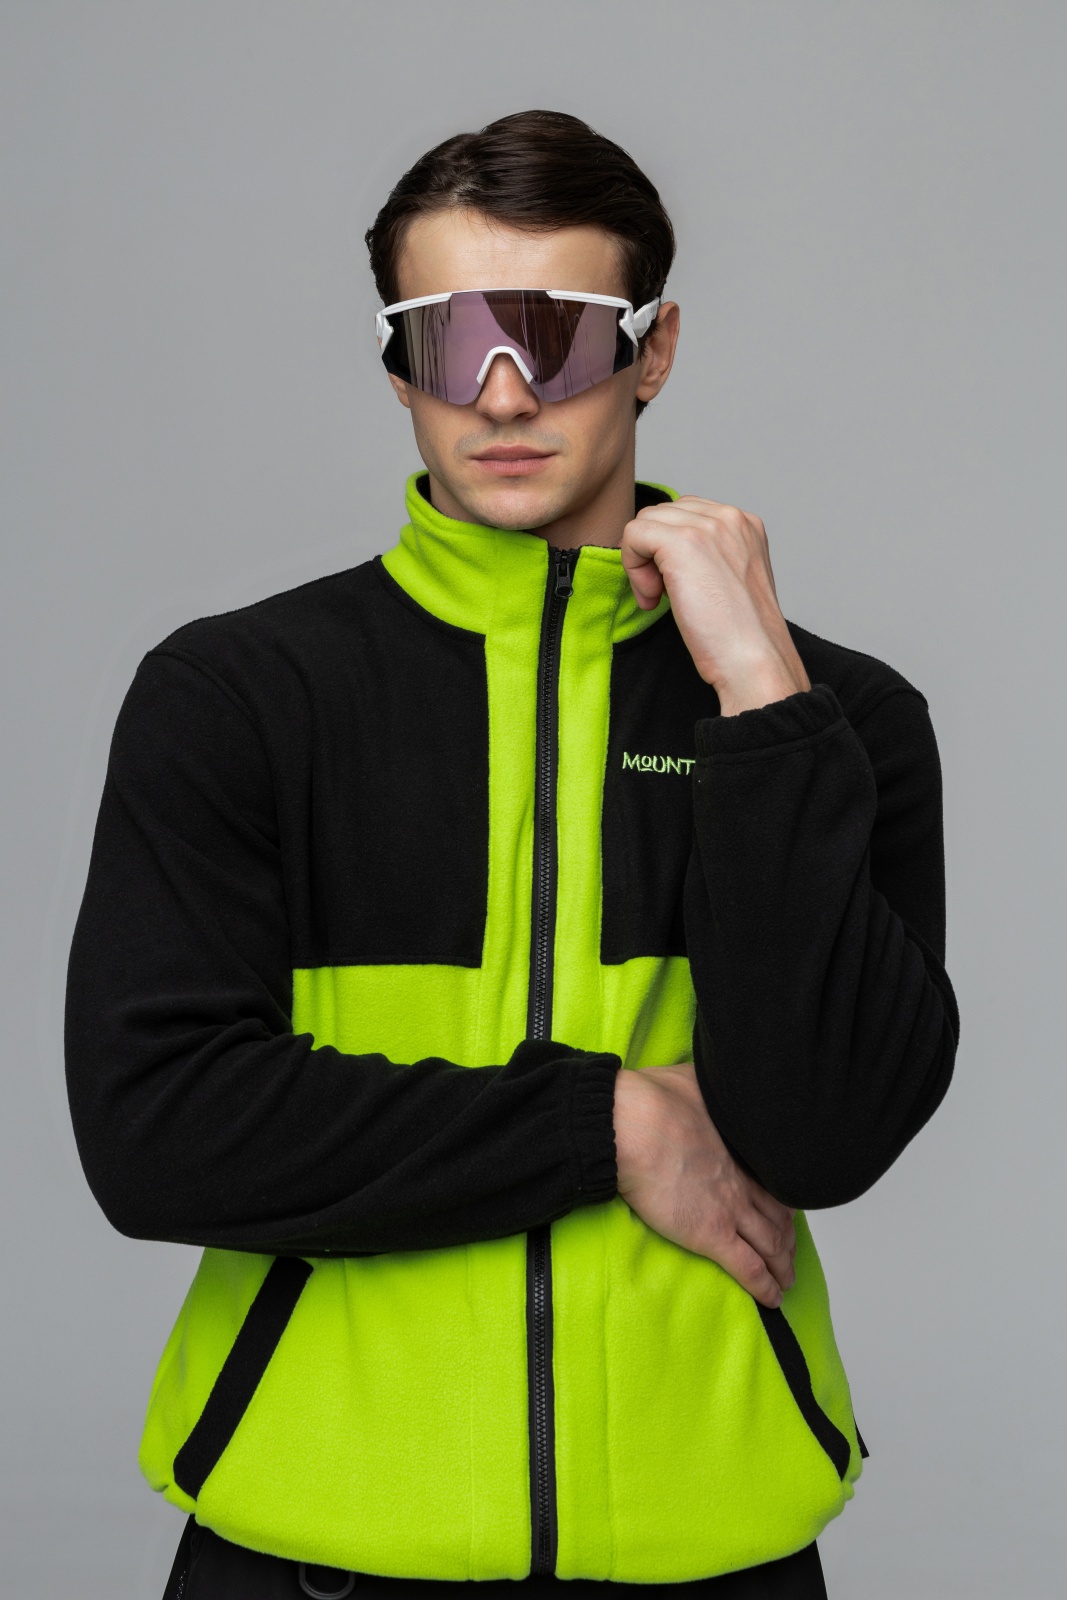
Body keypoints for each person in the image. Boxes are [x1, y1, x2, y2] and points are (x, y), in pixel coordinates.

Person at [64, 110, 958, 1600]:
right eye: (444, 338)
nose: (498, 391)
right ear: (395, 365)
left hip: (711, 1553)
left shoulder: (835, 723)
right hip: (312, 1557)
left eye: (554, 333)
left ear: (653, 351)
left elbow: (828, 1134)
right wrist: (609, 1124)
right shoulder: (239, 695)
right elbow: (158, 1129)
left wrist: (761, 701)